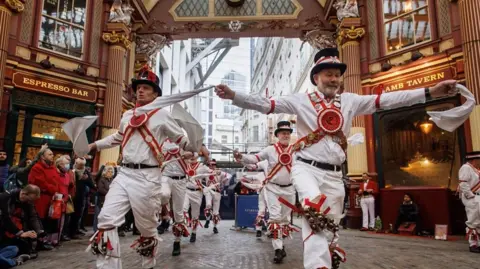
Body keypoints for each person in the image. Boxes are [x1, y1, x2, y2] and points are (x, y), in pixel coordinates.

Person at [215, 47, 460, 269]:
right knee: (314, 208)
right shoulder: (300, 101)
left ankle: (329, 255)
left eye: (337, 74)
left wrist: (428, 92)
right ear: (316, 78)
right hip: (305, 169)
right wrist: (235, 96)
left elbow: (386, 100)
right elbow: (267, 104)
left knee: (330, 227)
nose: (333, 79)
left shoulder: (351, 101)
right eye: (328, 74)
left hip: (334, 175)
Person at [87, 66, 194, 269]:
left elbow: (181, 139)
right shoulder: (127, 115)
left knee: (146, 227)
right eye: (138, 87)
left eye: (146, 87)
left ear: (155, 93)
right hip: (124, 173)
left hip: (148, 176)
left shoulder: (162, 115)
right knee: (106, 219)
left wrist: (195, 146)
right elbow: (118, 137)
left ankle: (148, 264)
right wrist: (95, 145)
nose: (140, 91)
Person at [234, 121, 296, 263]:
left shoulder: (296, 150)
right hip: (273, 188)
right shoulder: (270, 150)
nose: (285, 135)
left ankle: (282, 245)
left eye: (288, 133)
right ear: (277, 135)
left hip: (290, 189)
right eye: (283, 133)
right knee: (275, 217)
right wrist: (242, 157)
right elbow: (255, 158)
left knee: (285, 219)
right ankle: (278, 250)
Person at [158, 139, 191, 256]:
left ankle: (177, 241)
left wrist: (190, 154)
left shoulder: (184, 141)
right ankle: (164, 213)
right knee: (164, 194)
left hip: (180, 180)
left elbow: (195, 153)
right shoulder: (160, 140)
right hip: (165, 176)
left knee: (178, 213)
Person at [0, 184, 44, 260]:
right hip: (4, 229)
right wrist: (20, 233)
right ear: (23, 194)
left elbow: (33, 216)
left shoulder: (27, 202)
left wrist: (39, 232)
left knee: (21, 248)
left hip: (13, 228)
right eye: (29, 200)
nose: (30, 202)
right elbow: (5, 218)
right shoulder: (5, 198)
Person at [27, 147, 58, 251]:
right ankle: (38, 242)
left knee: (48, 221)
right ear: (42, 157)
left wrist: (54, 189)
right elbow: (40, 183)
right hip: (41, 199)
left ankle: (45, 241)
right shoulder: (37, 167)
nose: (52, 156)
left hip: (50, 198)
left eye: (52, 154)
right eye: (49, 154)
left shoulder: (53, 168)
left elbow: (56, 182)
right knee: (40, 220)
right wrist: (52, 189)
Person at [183, 154, 211, 243]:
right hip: (186, 190)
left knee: (195, 215)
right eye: (190, 154)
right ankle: (184, 227)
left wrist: (216, 172)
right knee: (183, 209)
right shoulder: (184, 164)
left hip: (197, 192)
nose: (191, 157)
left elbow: (210, 171)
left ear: (197, 157)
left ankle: (194, 232)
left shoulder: (202, 166)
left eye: (194, 155)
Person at [458, 151, 480, 253]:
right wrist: (470, 196)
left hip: (477, 197)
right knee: (472, 221)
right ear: (474, 160)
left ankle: (478, 243)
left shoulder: (475, 169)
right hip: (473, 198)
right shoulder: (466, 168)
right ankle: (473, 244)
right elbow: (463, 184)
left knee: (478, 221)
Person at [203, 159, 231, 234]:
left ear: (215, 165)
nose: (211, 166)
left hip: (217, 192)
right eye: (210, 165)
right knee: (208, 205)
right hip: (208, 191)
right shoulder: (206, 172)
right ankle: (208, 220)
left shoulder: (219, 172)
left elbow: (229, 175)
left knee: (216, 211)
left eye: (213, 165)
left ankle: (215, 227)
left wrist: (225, 179)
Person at [93, 163, 117, 234]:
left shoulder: (112, 180)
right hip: (101, 199)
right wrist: (110, 194)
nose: (110, 173)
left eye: (111, 171)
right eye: (109, 171)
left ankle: (104, 230)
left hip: (109, 200)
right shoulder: (102, 179)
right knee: (98, 215)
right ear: (105, 172)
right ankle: (96, 230)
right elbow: (101, 189)